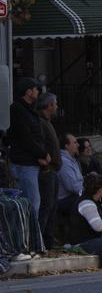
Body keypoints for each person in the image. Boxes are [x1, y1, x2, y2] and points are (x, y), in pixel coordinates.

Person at [7, 77, 48, 215]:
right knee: (31, 204)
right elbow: (26, 138)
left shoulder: (28, 110)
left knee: (32, 202)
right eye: (36, 89)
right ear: (28, 91)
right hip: (24, 164)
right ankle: (29, 236)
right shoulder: (18, 109)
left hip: (30, 162)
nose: (38, 92)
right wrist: (42, 154)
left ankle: (30, 235)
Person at [36, 92, 62, 249]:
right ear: (49, 105)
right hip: (46, 171)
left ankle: (48, 241)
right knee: (46, 206)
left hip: (53, 170)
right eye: (55, 103)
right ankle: (40, 242)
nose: (57, 106)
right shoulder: (40, 122)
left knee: (52, 207)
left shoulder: (47, 122)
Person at [56, 132, 84, 213]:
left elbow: (79, 180)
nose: (78, 145)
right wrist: (90, 189)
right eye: (75, 142)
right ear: (66, 146)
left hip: (74, 196)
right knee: (94, 198)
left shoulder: (72, 159)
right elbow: (72, 187)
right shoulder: (64, 162)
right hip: (65, 200)